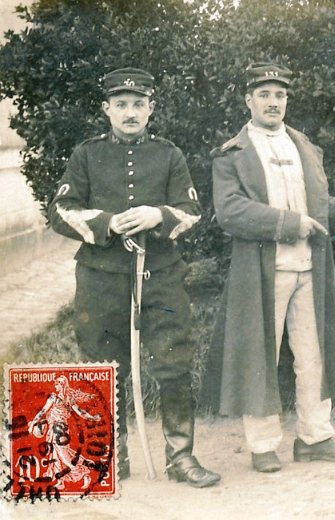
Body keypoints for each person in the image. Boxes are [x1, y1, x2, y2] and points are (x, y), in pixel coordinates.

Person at [205, 62, 335, 473]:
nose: (273, 102)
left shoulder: (303, 145)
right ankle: (263, 445)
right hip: (262, 271)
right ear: (248, 100)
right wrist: (289, 224)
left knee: (313, 355)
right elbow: (231, 211)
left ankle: (315, 437)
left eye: (280, 95)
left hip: (312, 267)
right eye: (265, 94)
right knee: (261, 355)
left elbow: (322, 206)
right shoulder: (231, 154)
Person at [48, 67, 221, 488]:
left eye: (138, 105)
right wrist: (107, 222)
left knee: (174, 361)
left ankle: (181, 457)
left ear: (151, 109)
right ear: (107, 109)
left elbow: (192, 211)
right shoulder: (86, 155)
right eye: (121, 104)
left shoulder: (169, 155)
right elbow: (60, 211)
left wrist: (157, 214)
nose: (130, 112)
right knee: (102, 366)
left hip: (160, 275)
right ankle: (106, 458)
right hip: (101, 277)